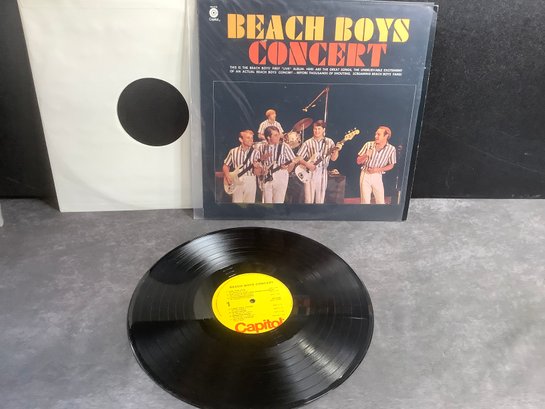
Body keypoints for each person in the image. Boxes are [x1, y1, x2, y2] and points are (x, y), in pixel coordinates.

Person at [297, 120, 339, 204]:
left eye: (319, 129)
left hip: (322, 172)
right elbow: (299, 158)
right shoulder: (308, 142)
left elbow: (333, 158)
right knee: (308, 200)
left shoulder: (329, 142)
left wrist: (337, 150)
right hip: (310, 172)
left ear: (323, 130)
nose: (316, 131)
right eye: (315, 129)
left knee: (320, 200)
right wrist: (307, 164)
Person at [357, 126, 396, 204]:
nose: (376, 136)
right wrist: (366, 155)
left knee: (380, 202)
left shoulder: (391, 149)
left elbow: (391, 165)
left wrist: (378, 170)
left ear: (386, 136)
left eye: (378, 134)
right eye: (375, 134)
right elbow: (358, 161)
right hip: (365, 174)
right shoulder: (368, 144)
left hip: (378, 176)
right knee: (365, 202)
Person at [223, 130, 262, 203]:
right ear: (241, 139)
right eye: (248, 138)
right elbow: (226, 166)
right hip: (236, 180)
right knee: (237, 204)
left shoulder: (256, 152)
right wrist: (227, 176)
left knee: (249, 206)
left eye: (252, 138)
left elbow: (257, 173)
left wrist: (256, 167)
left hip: (250, 180)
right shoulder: (233, 151)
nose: (251, 140)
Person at [259, 126, 296, 203]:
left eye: (278, 134)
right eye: (275, 135)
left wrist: (288, 169)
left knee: (278, 202)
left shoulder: (284, 146)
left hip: (281, 175)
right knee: (267, 203)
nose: (278, 137)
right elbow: (259, 163)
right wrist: (262, 170)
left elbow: (293, 161)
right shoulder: (262, 147)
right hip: (267, 176)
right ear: (268, 137)